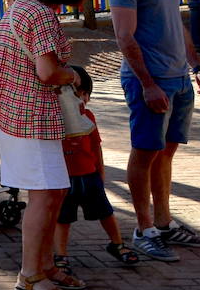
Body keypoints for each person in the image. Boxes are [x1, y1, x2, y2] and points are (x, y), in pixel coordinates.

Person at [109, 0, 200, 262]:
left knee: (165, 152)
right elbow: (125, 36)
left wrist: (196, 66)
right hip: (151, 82)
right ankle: (144, 230)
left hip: (179, 79)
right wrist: (148, 83)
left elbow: (177, 23)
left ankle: (165, 223)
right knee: (145, 152)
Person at [0, 0, 91, 290]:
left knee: (53, 192)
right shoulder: (42, 14)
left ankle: (44, 267)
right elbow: (48, 73)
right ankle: (30, 275)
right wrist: (74, 75)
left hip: (15, 116)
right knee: (45, 198)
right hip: (34, 117)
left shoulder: (17, 8)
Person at [52, 66, 141, 272]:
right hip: (65, 178)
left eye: (82, 94)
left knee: (106, 212)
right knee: (63, 218)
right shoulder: (55, 120)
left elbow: (96, 147)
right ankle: (61, 256)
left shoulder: (88, 118)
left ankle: (117, 244)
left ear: (87, 96)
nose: (78, 99)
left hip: (89, 175)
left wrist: (100, 173)